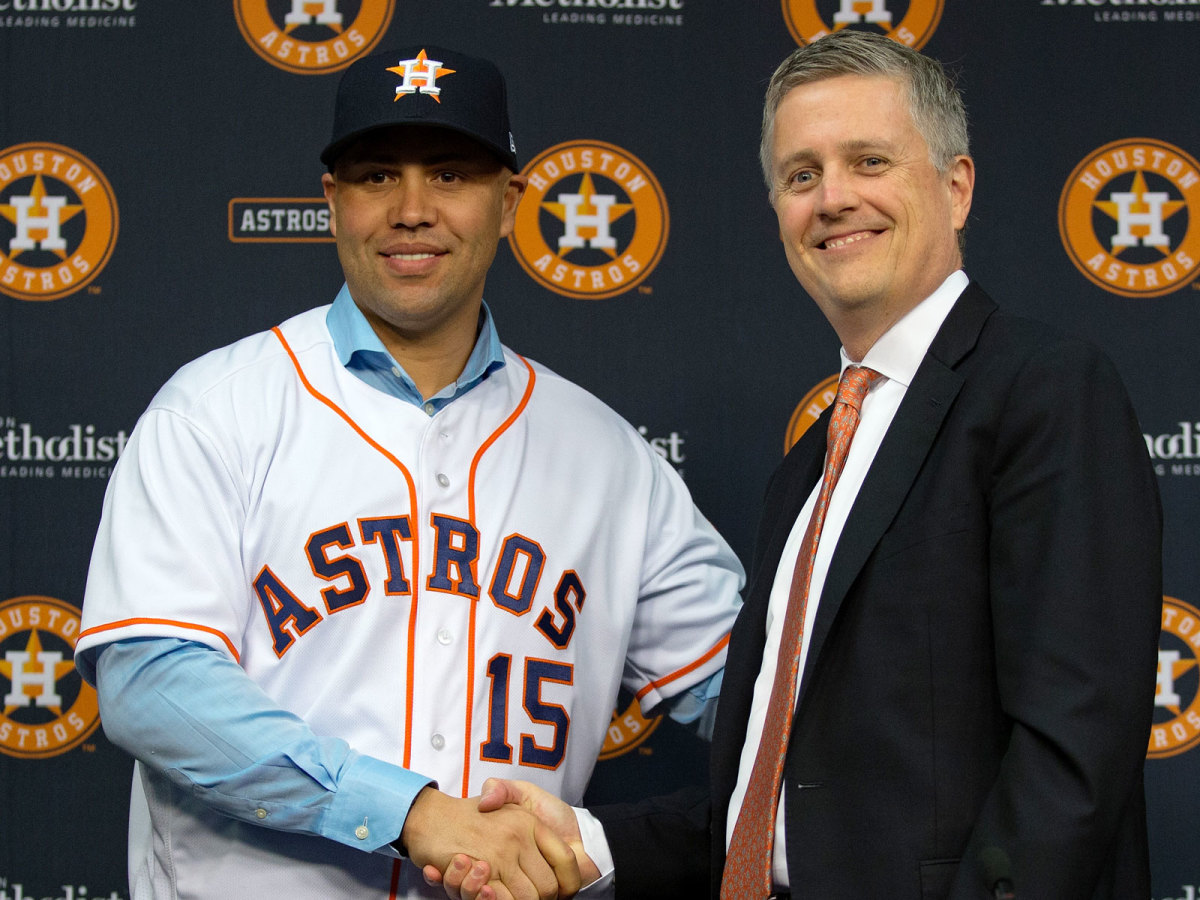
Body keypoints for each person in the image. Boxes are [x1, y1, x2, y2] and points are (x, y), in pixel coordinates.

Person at [436, 29, 1163, 900]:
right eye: (801, 175)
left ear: (957, 187)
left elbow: (1072, 759)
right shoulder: (810, 469)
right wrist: (589, 843)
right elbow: (783, 802)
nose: (833, 199)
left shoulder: (1042, 393)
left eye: (869, 161)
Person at [73, 44, 744, 900]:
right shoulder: (213, 412)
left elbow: (758, 691)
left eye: (452, 176)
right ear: (331, 202)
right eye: (377, 176)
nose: (413, 210)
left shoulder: (609, 459)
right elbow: (151, 683)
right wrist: (411, 811)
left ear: (508, 205)